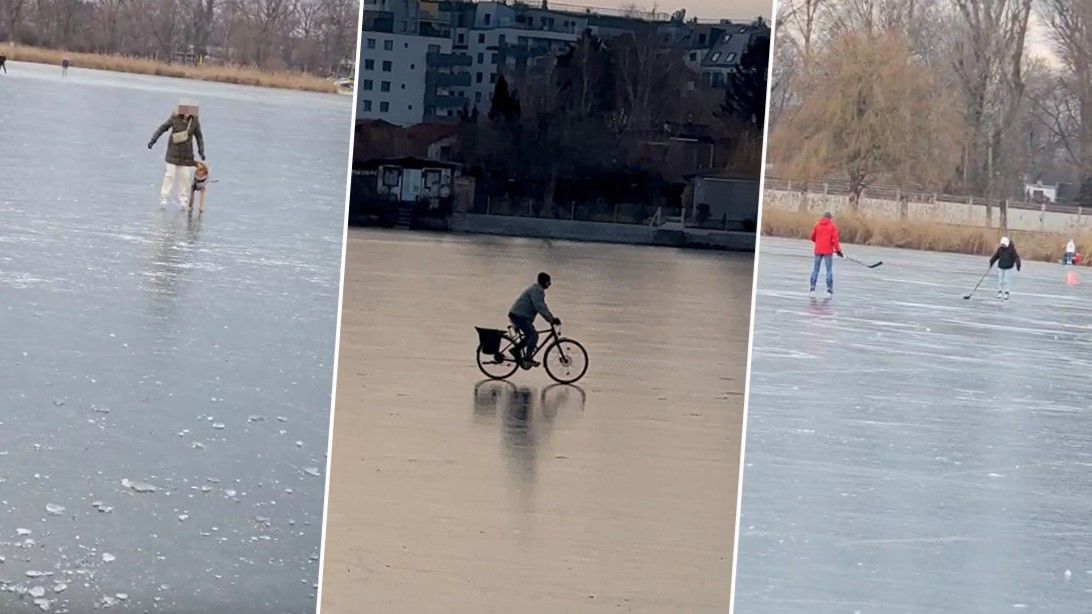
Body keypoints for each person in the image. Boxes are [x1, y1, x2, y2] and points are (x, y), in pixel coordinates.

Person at [148, 98, 206, 209]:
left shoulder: (194, 121)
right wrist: (153, 140)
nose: (188, 112)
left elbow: (199, 137)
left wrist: (201, 151)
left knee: (185, 177)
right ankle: (164, 197)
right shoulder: (175, 118)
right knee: (169, 175)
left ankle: (183, 200)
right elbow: (163, 128)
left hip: (187, 155)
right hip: (172, 152)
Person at [508, 272, 561, 368]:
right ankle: (527, 358)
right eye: (548, 282)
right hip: (518, 316)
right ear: (544, 282)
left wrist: (551, 318)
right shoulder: (536, 291)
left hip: (520, 316)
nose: (550, 284)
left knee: (530, 335)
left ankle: (516, 350)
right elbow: (539, 306)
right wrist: (551, 319)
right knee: (534, 335)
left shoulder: (538, 290)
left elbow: (543, 306)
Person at [809, 211, 844, 298]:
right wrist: (838, 251)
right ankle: (829, 290)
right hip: (828, 251)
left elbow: (812, 237)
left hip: (818, 250)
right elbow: (835, 240)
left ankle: (812, 288)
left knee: (815, 270)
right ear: (830, 218)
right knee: (829, 270)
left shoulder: (817, 225)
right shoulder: (832, 227)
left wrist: (819, 242)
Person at [989, 236, 1021, 301]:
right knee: (1000, 280)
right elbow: (996, 256)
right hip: (1001, 266)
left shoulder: (1012, 249)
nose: (1002, 245)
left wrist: (1018, 264)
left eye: (1003, 244)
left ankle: (1006, 292)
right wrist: (991, 261)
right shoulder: (1000, 249)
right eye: (1002, 244)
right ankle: (1000, 292)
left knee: (1006, 281)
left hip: (1008, 267)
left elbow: (1016, 257)